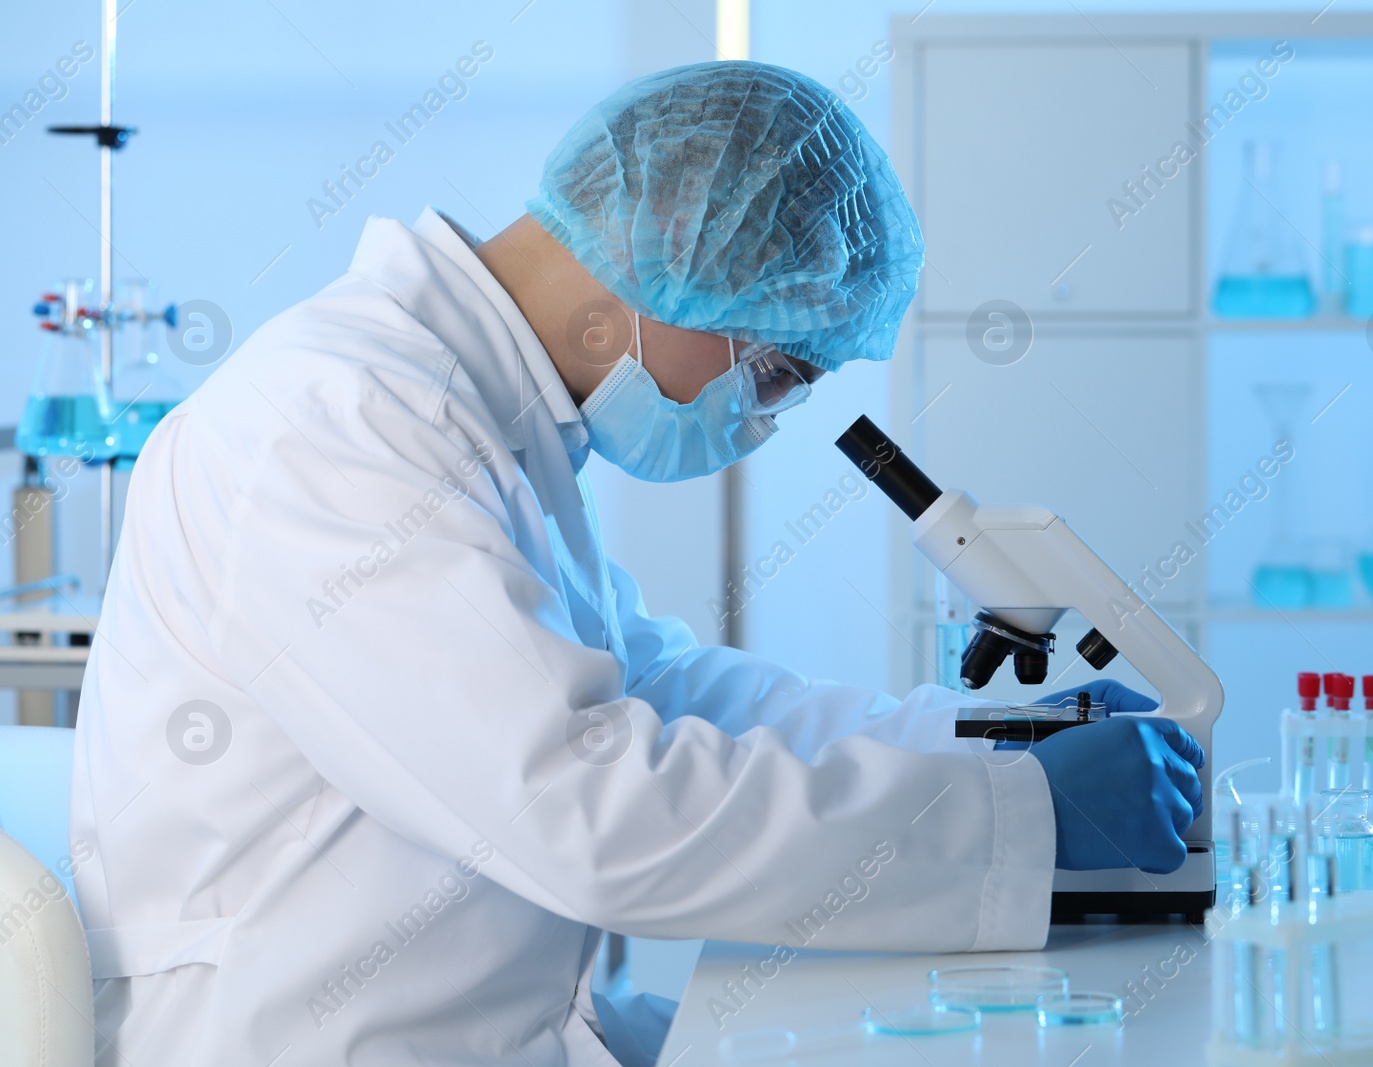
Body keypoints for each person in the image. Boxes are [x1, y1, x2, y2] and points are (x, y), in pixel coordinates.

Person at [68, 61, 1204, 1067]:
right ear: (678, 270)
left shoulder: (481, 416)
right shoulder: (337, 420)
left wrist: (982, 737)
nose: (762, 416)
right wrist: (1014, 814)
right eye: (773, 371)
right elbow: (587, 803)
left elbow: (662, 687)